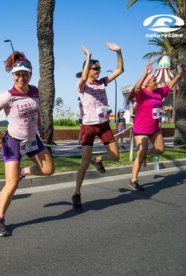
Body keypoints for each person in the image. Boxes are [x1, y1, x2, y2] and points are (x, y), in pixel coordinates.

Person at [0, 51, 54, 236]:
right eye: (18, 74)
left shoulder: (35, 91)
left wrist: (40, 126)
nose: (21, 78)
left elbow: (36, 111)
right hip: (13, 142)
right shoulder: (8, 96)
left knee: (48, 170)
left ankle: (25, 171)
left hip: (32, 140)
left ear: (30, 75)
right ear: (13, 76)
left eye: (25, 74)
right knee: (12, 184)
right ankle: (0, 219)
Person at [73, 43, 124, 213]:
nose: (98, 71)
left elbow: (119, 70)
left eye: (99, 68)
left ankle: (99, 160)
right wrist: (88, 57)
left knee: (115, 156)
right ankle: (77, 194)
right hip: (89, 127)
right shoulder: (82, 86)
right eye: (95, 68)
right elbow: (83, 77)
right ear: (87, 69)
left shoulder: (102, 83)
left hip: (103, 125)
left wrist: (118, 52)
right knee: (85, 162)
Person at [129, 63, 183, 191]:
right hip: (141, 129)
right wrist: (146, 73)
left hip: (154, 129)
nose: (156, 81)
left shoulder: (159, 92)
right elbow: (136, 88)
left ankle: (144, 154)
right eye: (154, 80)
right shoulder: (142, 93)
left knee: (160, 149)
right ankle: (133, 180)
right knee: (140, 154)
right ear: (147, 84)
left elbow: (170, 85)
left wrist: (179, 75)